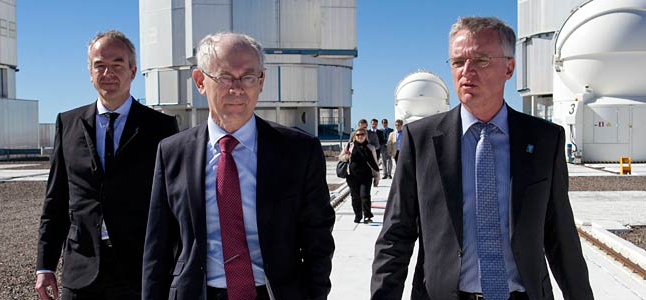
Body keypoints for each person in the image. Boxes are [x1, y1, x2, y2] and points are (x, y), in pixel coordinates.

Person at [370, 17, 594, 300]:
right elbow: (396, 236)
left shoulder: (544, 140)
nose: (467, 71)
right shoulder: (421, 140)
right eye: (457, 62)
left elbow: (560, 237)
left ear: (509, 67)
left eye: (481, 60)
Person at [142, 32, 335, 300]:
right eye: (225, 77)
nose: (237, 88)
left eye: (248, 77)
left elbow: (318, 241)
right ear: (200, 81)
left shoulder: (299, 151)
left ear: (261, 81)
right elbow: (158, 248)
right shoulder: (172, 153)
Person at [34, 30, 179, 300]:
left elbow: (174, 204)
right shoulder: (68, 123)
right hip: (81, 269)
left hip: (140, 270)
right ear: (90, 72)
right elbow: (56, 200)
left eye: (117, 64)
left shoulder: (160, 128)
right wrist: (45, 265)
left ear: (133, 71)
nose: (107, 73)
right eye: (99, 65)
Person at [339, 127, 380, 224]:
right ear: (355, 136)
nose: (360, 136)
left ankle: (367, 216)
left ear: (366, 136)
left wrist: (377, 177)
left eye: (362, 134)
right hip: (352, 177)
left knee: (365, 195)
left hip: (366, 176)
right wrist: (346, 156)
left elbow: (374, 163)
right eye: (358, 135)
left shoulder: (370, 147)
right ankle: (358, 215)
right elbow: (340, 157)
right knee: (355, 197)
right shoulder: (349, 146)